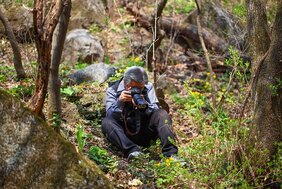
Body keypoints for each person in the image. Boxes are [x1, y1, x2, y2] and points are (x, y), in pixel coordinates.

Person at [102, 66, 178, 161]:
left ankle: (171, 154)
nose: (138, 90)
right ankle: (132, 151)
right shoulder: (113, 90)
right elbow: (110, 115)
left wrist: (144, 105)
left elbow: (155, 109)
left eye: (141, 88)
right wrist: (120, 102)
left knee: (162, 114)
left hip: (144, 131)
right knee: (106, 122)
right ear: (126, 84)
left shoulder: (148, 87)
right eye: (135, 87)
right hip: (124, 134)